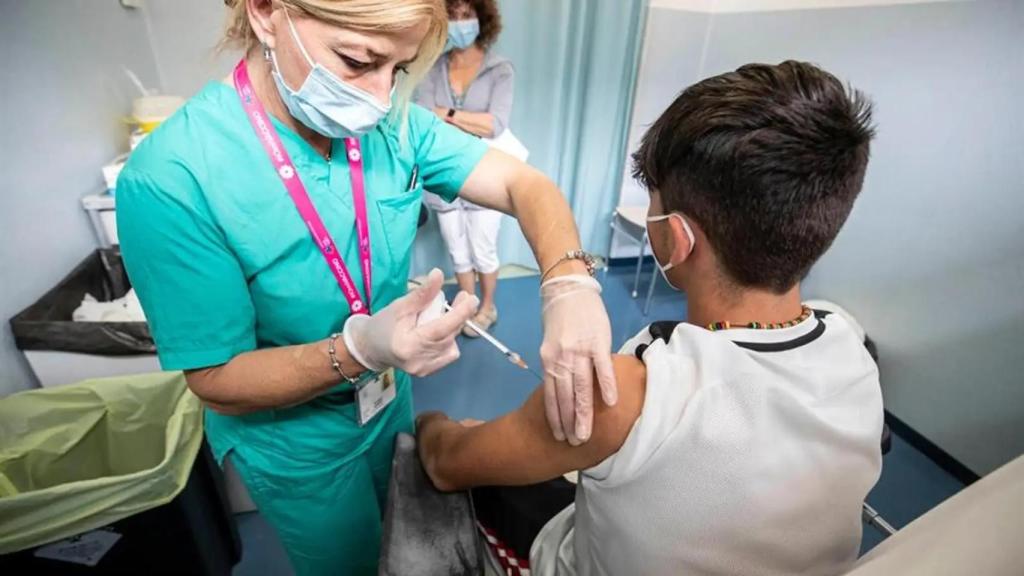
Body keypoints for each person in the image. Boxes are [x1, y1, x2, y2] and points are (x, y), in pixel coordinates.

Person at [114, 1, 617, 574]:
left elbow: (523, 183)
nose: (381, 97)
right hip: (298, 445)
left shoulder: (393, 123)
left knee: (405, 533)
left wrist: (569, 283)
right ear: (264, 12)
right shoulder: (173, 178)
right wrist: (356, 351)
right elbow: (215, 377)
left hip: (387, 400)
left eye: (399, 70)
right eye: (357, 60)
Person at [417, 61, 883, 576]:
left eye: (652, 200)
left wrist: (435, 424)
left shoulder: (628, 394)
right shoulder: (851, 348)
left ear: (676, 238)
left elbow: (445, 462)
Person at [414, 0, 513, 336]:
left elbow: (495, 124)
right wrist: (462, 119)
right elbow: (424, 116)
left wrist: (449, 114)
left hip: (485, 174)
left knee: (483, 247)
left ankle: (488, 306)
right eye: (452, 16)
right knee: (457, 247)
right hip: (442, 174)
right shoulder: (432, 67)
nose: (459, 23)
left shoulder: (499, 69)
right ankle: (468, 303)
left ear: (482, 20)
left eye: (466, 15)